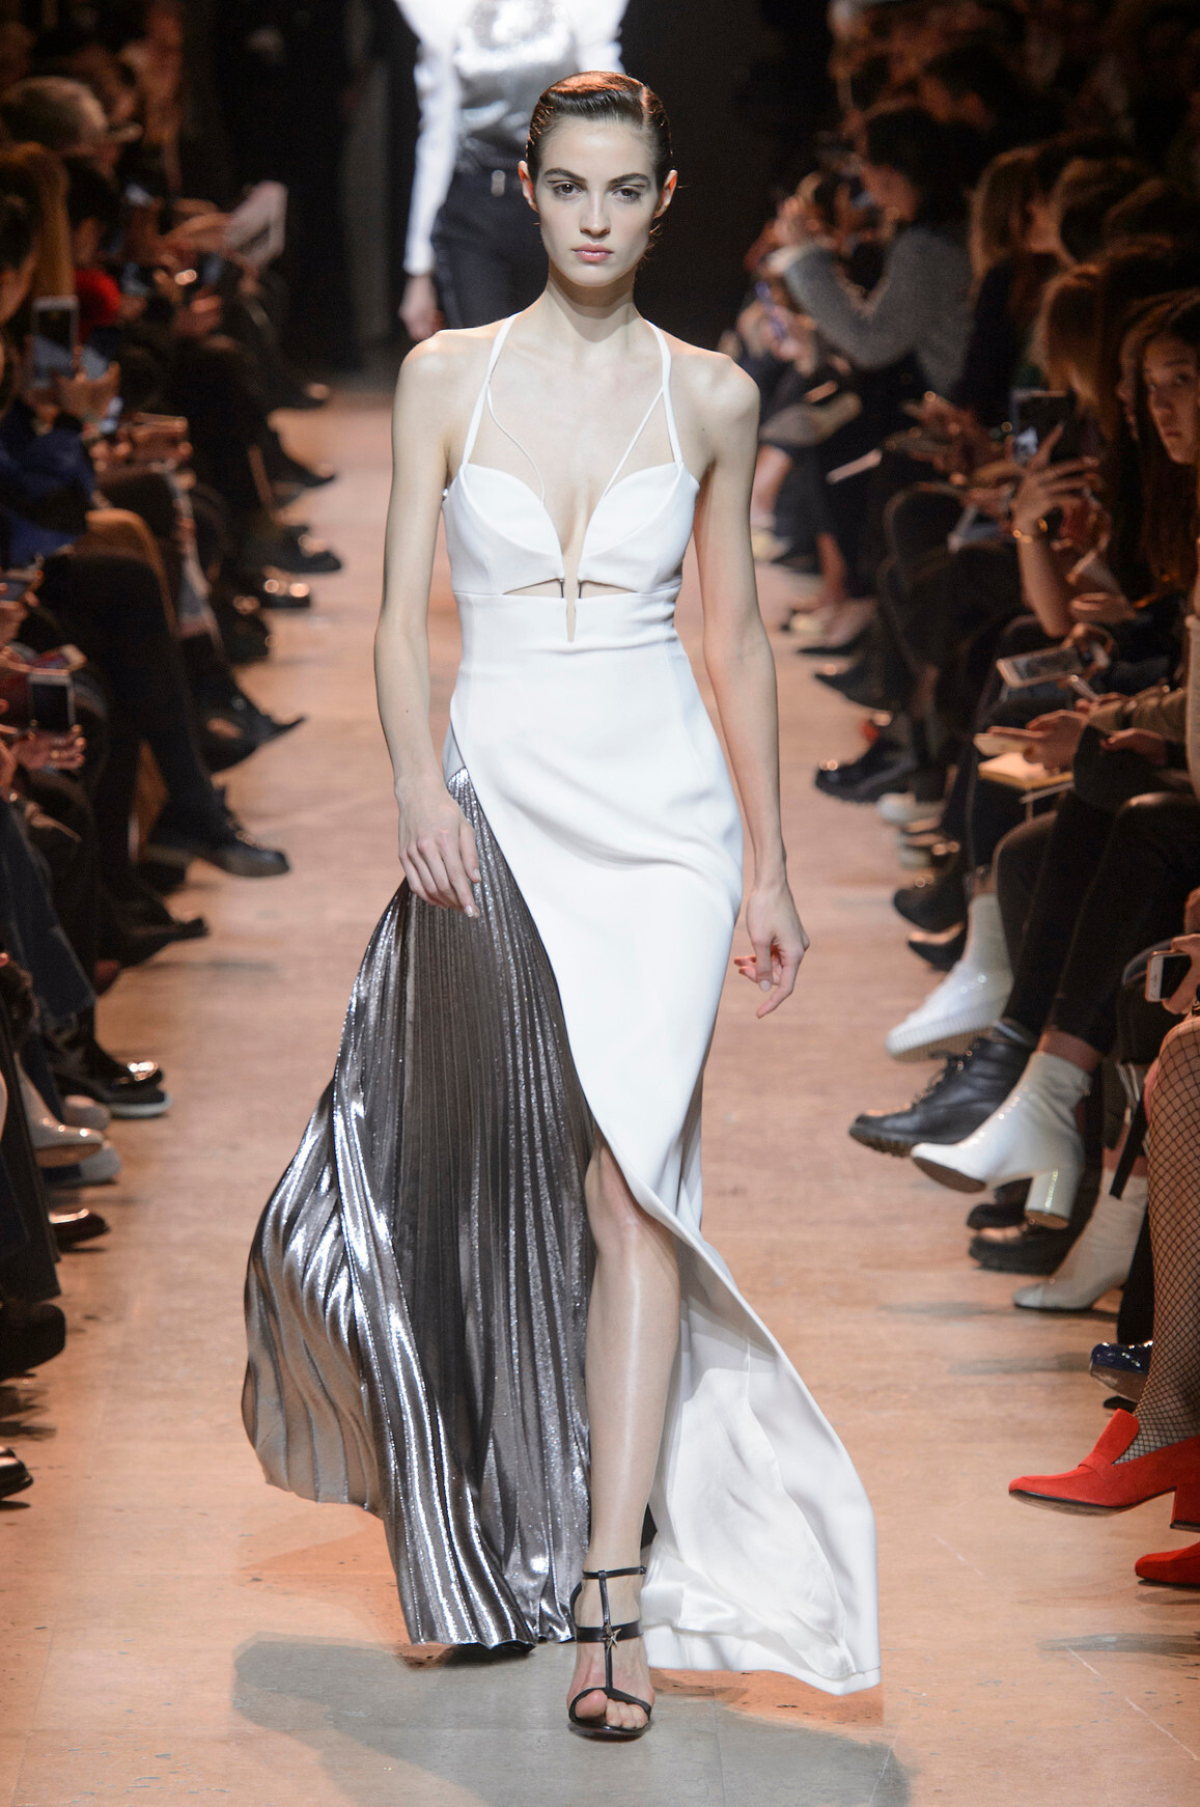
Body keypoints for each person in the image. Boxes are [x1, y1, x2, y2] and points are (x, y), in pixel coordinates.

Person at [244, 72, 879, 1740]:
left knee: (633, 1186)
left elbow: (735, 638)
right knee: (479, 1173)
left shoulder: (716, 393)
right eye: (571, 186)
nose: (597, 216)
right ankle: (490, 1517)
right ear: (528, 191)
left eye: (625, 190)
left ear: (664, 202)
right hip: (497, 800)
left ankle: (612, 1588)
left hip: (664, 822)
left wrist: (768, 861)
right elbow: (399, 617)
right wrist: (416, 783)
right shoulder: (447, 374)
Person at [396, 1, 626, 339]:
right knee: (484, 356)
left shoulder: (582, 9)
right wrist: (419, 270)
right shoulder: (446, 12)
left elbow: (610, 116)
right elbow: (437, 137)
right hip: (475, 209)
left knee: (554, 355)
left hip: (558, 207)